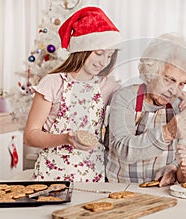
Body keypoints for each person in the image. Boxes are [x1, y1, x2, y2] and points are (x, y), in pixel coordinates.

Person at [23, 7, 122, 182]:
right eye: (99, 53)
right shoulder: (53, 83)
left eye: (109, 55)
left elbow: (137, 99)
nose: (104, 62)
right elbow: (30, 135)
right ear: (82, 48)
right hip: (52, 174)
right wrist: (65, 138)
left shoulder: (108, 86)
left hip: (93, 174)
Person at [106, 33, 186, 187]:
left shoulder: (179, 104)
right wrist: (168, 132)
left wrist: (173, 168)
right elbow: (123, 149)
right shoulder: (125, 97)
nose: (174, 91)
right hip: (121, 187)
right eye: (169, 79)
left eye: (182, 84)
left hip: (161, 189)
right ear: (150, 73)